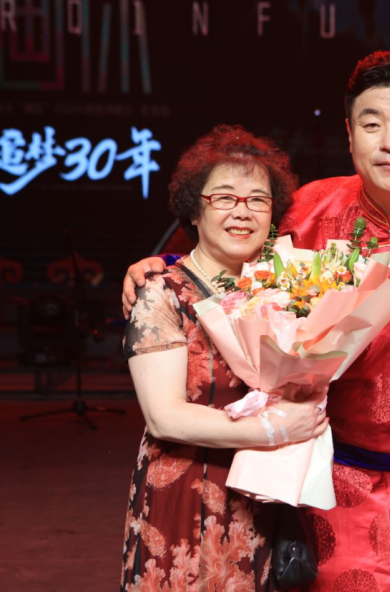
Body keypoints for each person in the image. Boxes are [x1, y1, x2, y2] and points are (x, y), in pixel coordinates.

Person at [122, 52, 390, 591]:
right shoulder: (305, 210)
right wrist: (163, 264)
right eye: (372, 124)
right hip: (323, 481)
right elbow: (220, 246)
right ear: (349, 134)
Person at [120, 125, 329, 592]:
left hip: (264, 494)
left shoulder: (285, 290)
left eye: (258, 200)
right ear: (195, 209)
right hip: (187, 492)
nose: (242, 211)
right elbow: (164, 417)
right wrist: (275, 430)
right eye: (224, 198)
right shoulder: (161, 294)